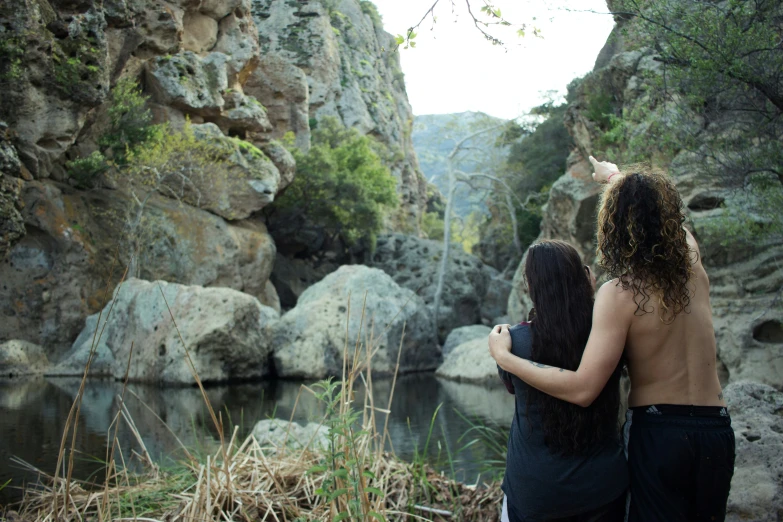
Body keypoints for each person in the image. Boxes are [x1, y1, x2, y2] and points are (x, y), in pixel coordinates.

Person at [489, 158, 736, 522]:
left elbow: (582, 388)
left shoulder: (619, 293)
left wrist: (507, 359)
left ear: (613, 228)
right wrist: (616, 177)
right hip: (716, 427)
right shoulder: (694, 272)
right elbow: (664, 217)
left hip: (659, 432)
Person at [497, 239, 627, 522]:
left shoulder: (513, 343)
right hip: (602, 490)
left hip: (535, 493)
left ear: (532, 288)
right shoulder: (609, 336)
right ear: (583, 276)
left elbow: (511, 387)